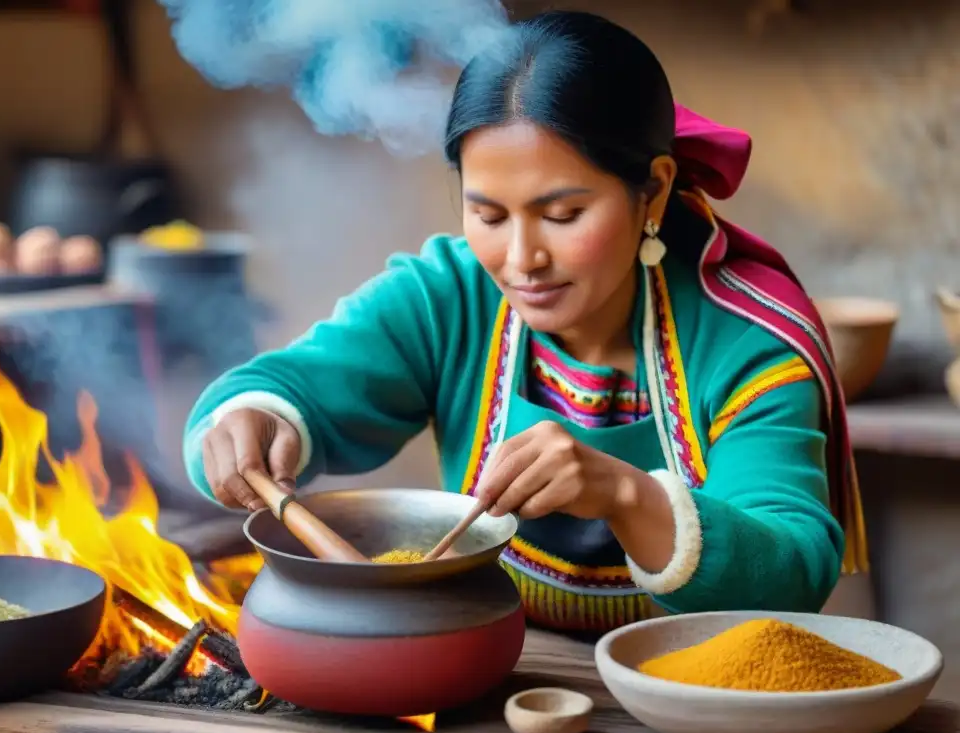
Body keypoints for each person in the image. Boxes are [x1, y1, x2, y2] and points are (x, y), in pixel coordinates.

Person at [182, 10, 868, 635]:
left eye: (563, 216)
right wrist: (250, 421)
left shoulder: (746, 343)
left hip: (694, 707)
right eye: (488, 214)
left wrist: (620, 494)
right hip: (494, 691)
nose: (520, 260)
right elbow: (280, 389)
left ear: (653, 189)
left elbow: (791, 571)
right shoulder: (449, 296)